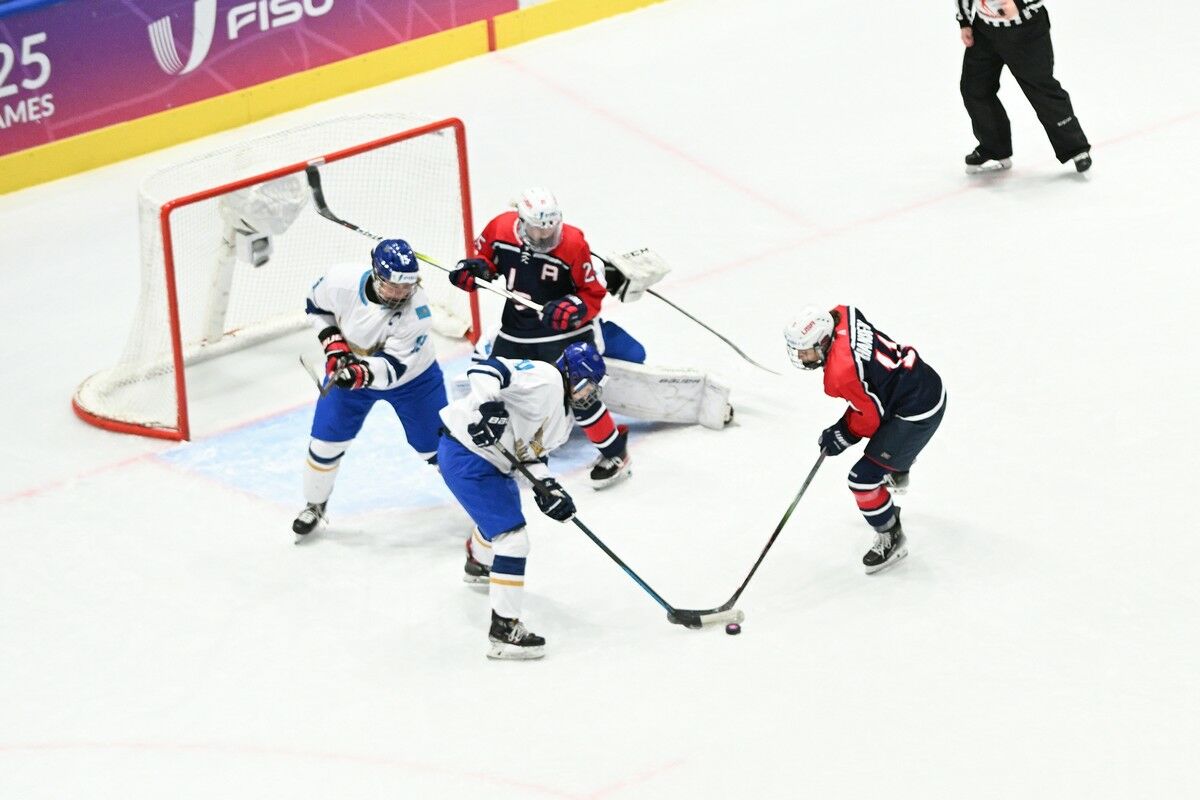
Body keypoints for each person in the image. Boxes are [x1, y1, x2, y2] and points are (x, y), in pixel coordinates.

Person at [447, 188, 631, 489]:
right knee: (500, 390)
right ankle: (514, 454)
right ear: (521, 221)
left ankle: (615, 453)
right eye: (538, 228)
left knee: (581, 390)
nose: (546, 235)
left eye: (551, 227)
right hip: (517, 329)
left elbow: (593, 294)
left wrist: (574, 307)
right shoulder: (500, 228)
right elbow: (483, 261)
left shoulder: (573, 242)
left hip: (567, 332)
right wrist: (474, 270)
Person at [437, 342, 607, 660]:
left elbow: (531, 457)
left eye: (593, 388)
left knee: (501, 520)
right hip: (467, 453)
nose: (589, 394)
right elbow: (487, 369)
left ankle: (478, 562)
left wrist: (549, 488)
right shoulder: (545, 377)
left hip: (494, 463)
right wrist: (488, 408)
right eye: (585, 385)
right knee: (513, 540)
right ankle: (504, 631)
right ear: (570, 374)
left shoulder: (563, 423)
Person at [292, 239, 448, 540]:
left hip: (413, 381)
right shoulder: (340, 281)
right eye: (393, 286)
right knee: (324, 444)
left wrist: (358, 373)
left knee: (437, 451)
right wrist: (334, 345)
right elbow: (316, 307)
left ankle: (482, 498)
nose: (401, 294)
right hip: (351, 369)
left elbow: (393, 369)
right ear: (376, 274)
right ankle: (314, 505)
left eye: (407, 286)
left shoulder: (418, 311)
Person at [783, 306, 946, 574]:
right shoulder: (842, 316)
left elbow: (870, 420)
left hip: (916, 412)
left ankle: (891, 537)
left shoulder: (840, 373)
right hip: (920, 380)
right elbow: (871, 388)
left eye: (806, 350)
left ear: (824, 341)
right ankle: (897, 469)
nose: (801, 356)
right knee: (882, 447)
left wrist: (843, 433)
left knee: (862, 479)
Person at [957, 0, 1091, 173]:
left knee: (1041, 89)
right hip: (984, 31)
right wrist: (965, 22)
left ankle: (1075, 147)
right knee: (975, 88)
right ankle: (994, 147)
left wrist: (1019, 3)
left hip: (1026, 31)